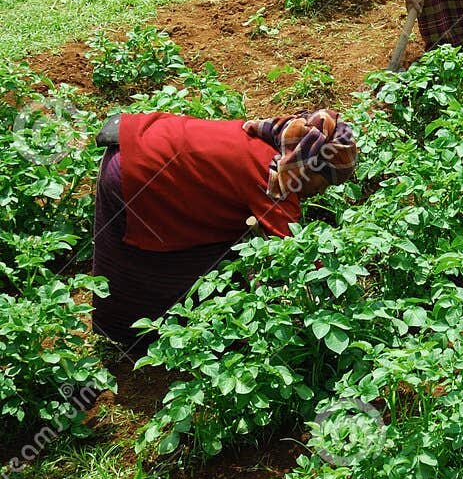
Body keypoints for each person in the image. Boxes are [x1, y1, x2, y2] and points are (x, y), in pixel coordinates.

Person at [91, 109, 357, 354]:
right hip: (136, 172)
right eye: (325, 182)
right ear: (310, 165)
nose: (322, 192)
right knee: (153, 261)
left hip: (136, 143)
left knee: (216, 246)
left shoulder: (270, 142)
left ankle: (149, 330)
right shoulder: (274, 180)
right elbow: (296, 255)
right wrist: (342, 301)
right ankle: (138, 338)